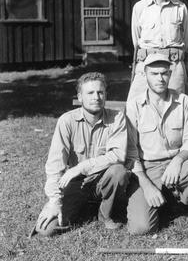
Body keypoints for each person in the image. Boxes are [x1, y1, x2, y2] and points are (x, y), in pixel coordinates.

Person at [33, 72, 128, 236]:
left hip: (103, 180)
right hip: (76, 184)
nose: (96, 97)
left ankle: (105, 214)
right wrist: (55, 201)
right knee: (47, 230)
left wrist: (81, 167)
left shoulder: (117, 118)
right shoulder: (66, 121)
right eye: (90, 93)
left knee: (118, 171)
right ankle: (84, 206)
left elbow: (117, 155)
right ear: (80, 97)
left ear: (106, 95)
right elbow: (55, 165)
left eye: (100, 92)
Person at [126, 53, 188, 235]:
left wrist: (178, 160)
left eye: (164, 73)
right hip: (147, 168)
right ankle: (158, 201)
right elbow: (130, 153)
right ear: (145, 75)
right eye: (154, 74)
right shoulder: (134, 106)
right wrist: (145, 185)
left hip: (175, 164)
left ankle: (180, 204)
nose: (160, 78)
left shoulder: (183, 101)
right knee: (141, 229)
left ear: (170, 75)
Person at [127, 0, 188, 103]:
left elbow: (185, 40)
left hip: (173, 66)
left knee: (175, 107)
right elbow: (136, 40)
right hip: (146, 65)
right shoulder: (140, 7)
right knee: (135, 105)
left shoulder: (180, 8)